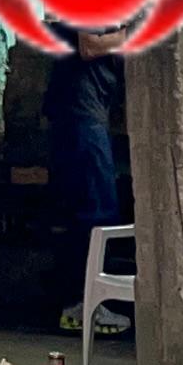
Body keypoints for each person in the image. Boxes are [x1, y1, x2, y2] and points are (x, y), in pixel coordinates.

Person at [48, 23, 132, 337]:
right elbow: (90, 45)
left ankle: (81, 304)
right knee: (96, 211)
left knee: (90, 209)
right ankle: (83, 306)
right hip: (80, 115)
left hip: (86, 112)